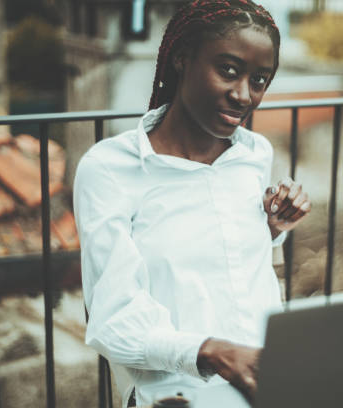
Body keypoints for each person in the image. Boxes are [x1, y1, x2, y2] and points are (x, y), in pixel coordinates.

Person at [73, 1, 311, 406]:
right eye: (229, 71)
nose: (243, 95)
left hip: (263, 379)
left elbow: (229, 259)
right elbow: (113, 319)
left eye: (259, 79)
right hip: (171, 392)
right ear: (181, 58)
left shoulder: (255, 154)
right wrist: (214, 352)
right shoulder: (110, 169)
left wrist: (272, 228)